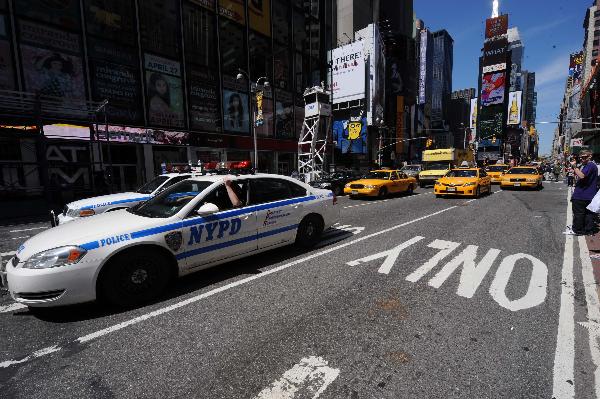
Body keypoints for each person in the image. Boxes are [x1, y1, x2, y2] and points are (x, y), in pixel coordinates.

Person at [570, 150, 598, 235]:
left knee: (579, 214)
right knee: (588, 214)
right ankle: (588, 230)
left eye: (584, 157)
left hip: (581, 195)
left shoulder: (590, 165)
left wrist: (574, 167)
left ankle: (577, 230)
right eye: (581, 157)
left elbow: (582, 176)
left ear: (590, 156)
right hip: (588, 195)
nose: (582, 159)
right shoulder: (589, 165)